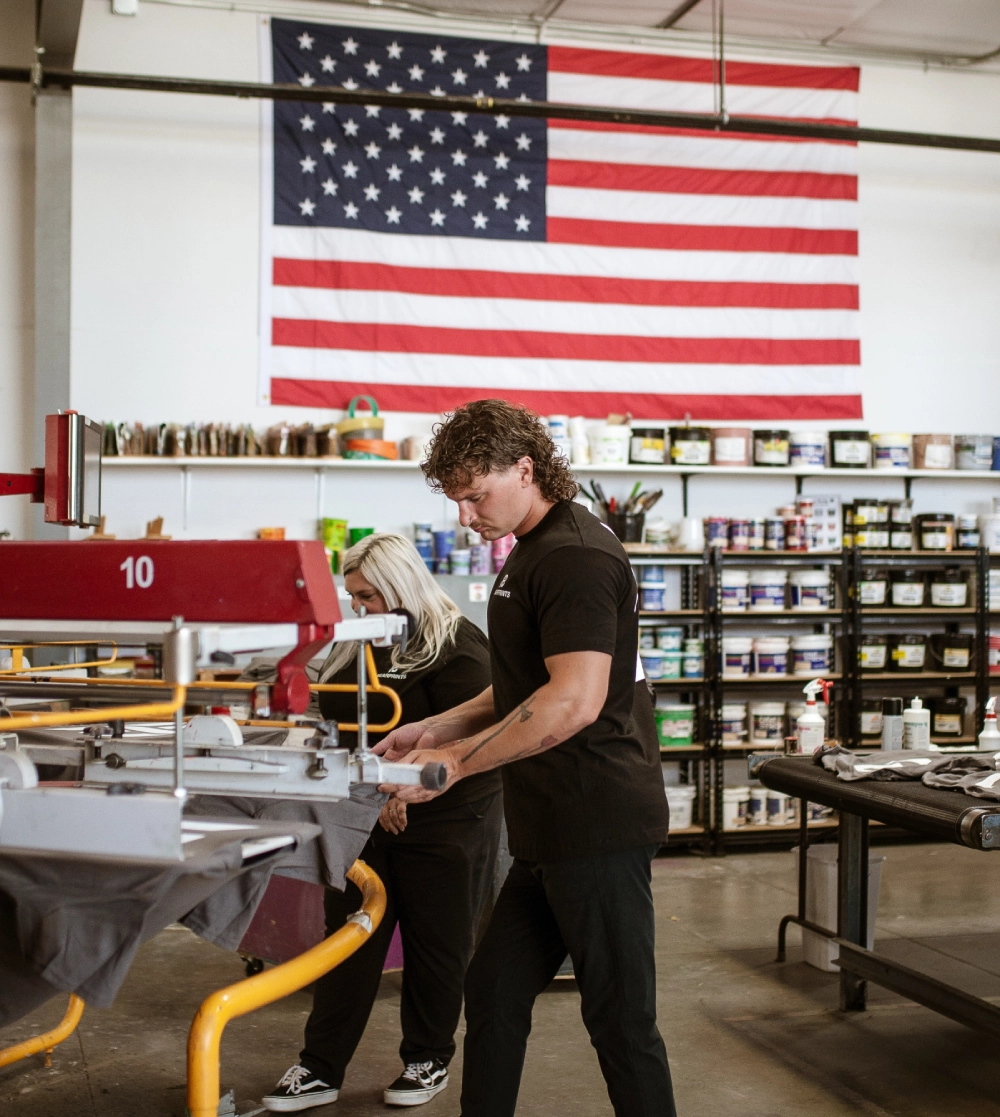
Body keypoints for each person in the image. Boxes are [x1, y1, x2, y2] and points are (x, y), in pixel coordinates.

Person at [376, 400, 677, 1117]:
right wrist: (431, 728)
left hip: (597, 821)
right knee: (494, 992)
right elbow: (523, 683)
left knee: (621, 1022)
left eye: (476, 496)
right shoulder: (533, 550)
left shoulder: (574, 555)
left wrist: (452, 763)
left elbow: (571, 700)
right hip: (548, 828)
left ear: (526, 468)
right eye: (457, 500)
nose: (466, 516)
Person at [264, 533, 502, 1112]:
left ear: (400, 586)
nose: (360, 608)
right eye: (354, 597)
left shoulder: (459, 646)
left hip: (447, 814)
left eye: (369, 596)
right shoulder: (359, 642)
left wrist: (406, 789)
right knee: (347, 940)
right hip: (365, 810)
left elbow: (475, 739)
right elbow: (335, 711)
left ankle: (428, 1059)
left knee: (435, 942)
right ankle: (319, 1066)